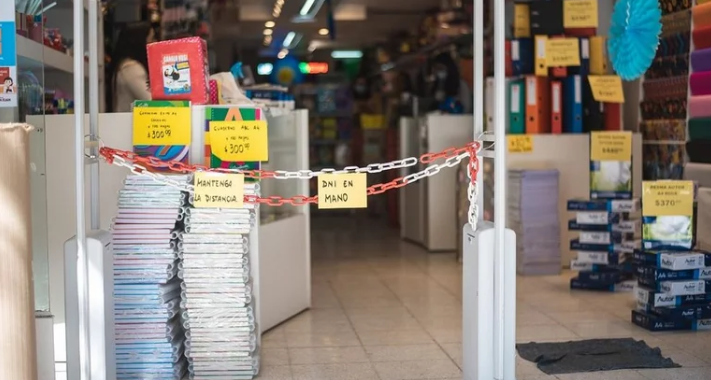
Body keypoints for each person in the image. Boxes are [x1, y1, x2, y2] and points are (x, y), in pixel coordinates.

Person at [108, 23, 154, 112]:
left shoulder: (125, 67)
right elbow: (150, 100)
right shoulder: (131, 69)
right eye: (151, 39)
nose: (154, 42)